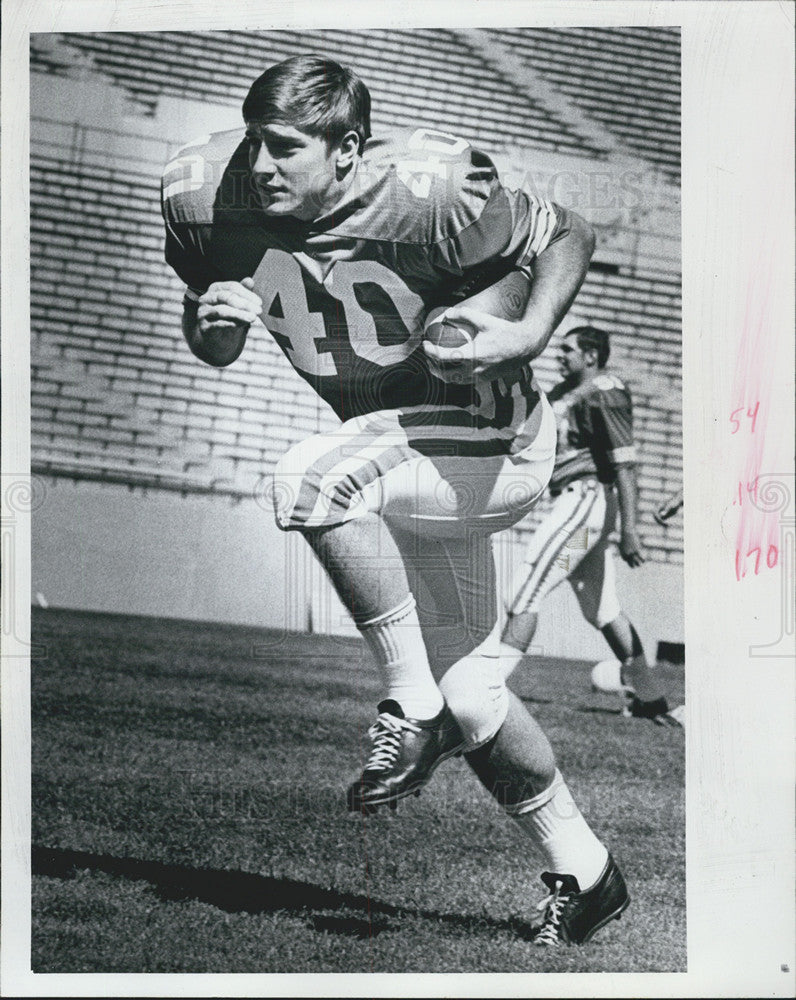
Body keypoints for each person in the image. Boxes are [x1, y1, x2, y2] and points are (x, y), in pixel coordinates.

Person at [161, 54, 629, 945]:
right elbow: (213, 343)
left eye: (288, 149)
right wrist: (210, 322)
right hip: (403, 460)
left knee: (308, 478)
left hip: (490, 446)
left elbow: (564, 230)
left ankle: (405, 704)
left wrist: (529, 328)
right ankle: (589, 871)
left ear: (349, 150)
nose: (262, 167)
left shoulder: (431, 188)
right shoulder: (200, 193)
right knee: (475, 696)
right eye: (257, 143)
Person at [499, 325, 682, 725]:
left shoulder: (606, 390)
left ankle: (485, 691)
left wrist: (630, 529)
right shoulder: (563, 393)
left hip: (586, 500)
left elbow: (625, 463)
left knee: (524, 593)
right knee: (603, 609)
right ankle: (652, 698)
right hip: (575, 499)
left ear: (591, 355)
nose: (559, 355)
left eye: (568, 349)